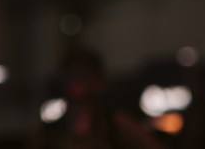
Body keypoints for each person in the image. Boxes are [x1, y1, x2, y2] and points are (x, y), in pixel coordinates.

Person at [29, 44, 168, 149]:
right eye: (72, 73)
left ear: (98, 81)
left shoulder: (114, 125)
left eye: (84, 74)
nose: (77, 80)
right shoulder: (51, 132)